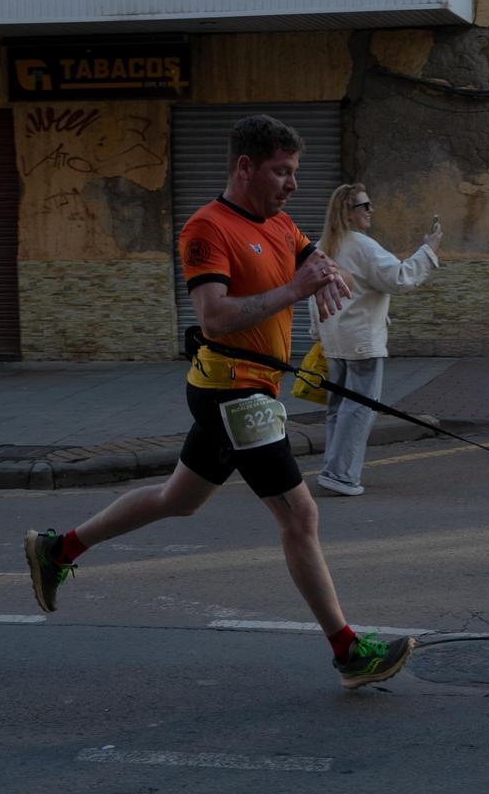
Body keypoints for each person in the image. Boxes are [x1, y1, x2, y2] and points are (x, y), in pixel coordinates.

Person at [22, 114, 415, 689]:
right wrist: (294, 290)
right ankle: (348, 650)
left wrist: (323, 269)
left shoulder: (278, 222)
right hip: (234, 390)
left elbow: (311, 257)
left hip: (245, 388)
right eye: (281, 171)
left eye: (295, 171)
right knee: (300, 515)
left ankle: (58, 549)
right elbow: (214, 316)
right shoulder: (207, 229)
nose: (292, 183)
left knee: (178, 498)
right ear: (244, 167)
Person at [310, 183, 441, 496]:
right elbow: (399, 277)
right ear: (349, 213)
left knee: (339, 408)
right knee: (360, 409)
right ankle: (342, 475)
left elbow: (312, 294)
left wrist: (318, 334)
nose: (371, 210)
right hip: (361, 342)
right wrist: (430, 249)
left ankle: (332, 467)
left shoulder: (323, 245)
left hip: (335, 340)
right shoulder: (362, 246)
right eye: (364, 205)